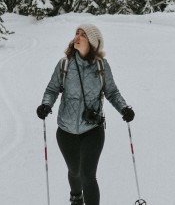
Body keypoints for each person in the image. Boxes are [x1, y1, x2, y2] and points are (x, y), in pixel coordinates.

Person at [36, 24, 135, 205]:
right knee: (74, 171)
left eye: (83, 35)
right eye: (76, 33)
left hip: (92, 129)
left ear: (93, 42)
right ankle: (76, 197)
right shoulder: (64, 64)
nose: (78, 37)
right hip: (66, 130)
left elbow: (112, 92)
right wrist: (45, 104)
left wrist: (124, 108)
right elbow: (52, 89)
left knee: (88, 175)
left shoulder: (101, 66)